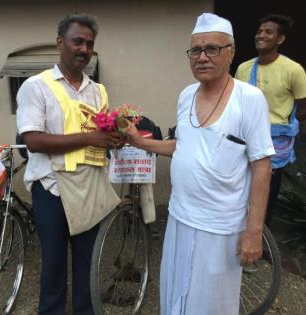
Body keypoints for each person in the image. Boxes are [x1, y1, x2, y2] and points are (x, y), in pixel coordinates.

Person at [126, 13, 274, 315]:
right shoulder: (185, 96)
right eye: (196, 50)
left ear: (231, 52)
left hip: (221, 228)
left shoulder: (250, 99)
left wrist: (254, 231)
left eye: (212, 49)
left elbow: (261, 165)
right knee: (175, 294)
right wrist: (139, 142)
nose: (202, 57)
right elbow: (184, 146)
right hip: (180, 218)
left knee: (211, 304)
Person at [16, 14, 122, 314]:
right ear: (60, 42)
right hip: (52, 188)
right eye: (78, 41)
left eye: (90, 44)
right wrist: (91, 138)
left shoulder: (97, 90)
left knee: (88, 264)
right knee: (53, 265)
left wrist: (115, 138)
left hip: (90, 186)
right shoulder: (36, 86)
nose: (84, 49)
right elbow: (33, 141)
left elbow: (102, 136)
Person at [235, 14, 306, 225]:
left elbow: (304, 107)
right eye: (259, 31)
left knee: (265, 193)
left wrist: (282, 128)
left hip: (275, 143)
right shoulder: (244, 68)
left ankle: (260, 240)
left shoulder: (293, 70)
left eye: (268, 32)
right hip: (244, 138)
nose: (261, 35)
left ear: (280, 39)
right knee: (239, 189)